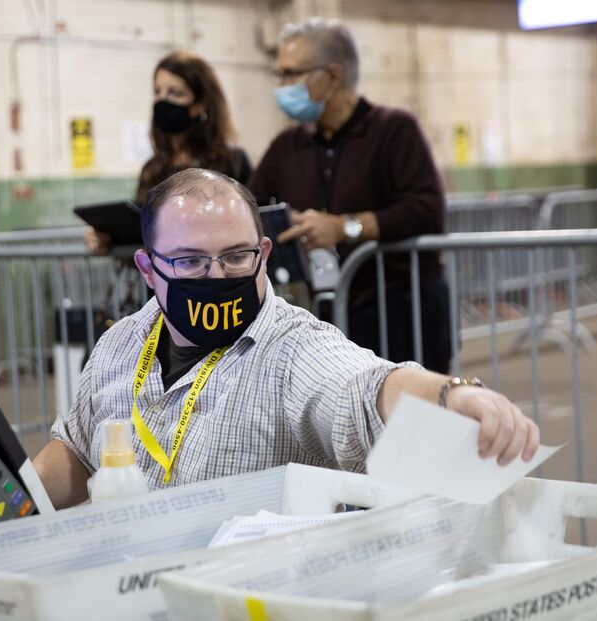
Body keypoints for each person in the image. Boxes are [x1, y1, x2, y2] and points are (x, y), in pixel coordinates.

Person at [34, 168, 539, 509]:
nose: (214, 277)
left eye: (235, 256)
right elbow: (78, 449)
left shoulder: (292, 347)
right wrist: (9, 508)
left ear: (264, 252)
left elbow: (363, 387)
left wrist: (452, 394)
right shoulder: (121, 343)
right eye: (189, 261)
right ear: (147, 268)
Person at [248, 17, 452, 373]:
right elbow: (249, 205)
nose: (281, 86)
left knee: (409, 424)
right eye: (278, 74)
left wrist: (345, 227)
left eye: (291, 74)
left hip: (400, 314)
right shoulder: (288, 146)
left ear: (333, 76)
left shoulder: (394, 131)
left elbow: (426, 209)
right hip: (327, 318)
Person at [84, 51, 252, 254]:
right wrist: (110, 242)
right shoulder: (153, 169)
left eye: (175, 93)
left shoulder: (230, 161)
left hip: (215, 279)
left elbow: (250, 232)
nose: (162, 101)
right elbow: (143, 244)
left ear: (200, 104)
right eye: (157, 91)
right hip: (162, 284)